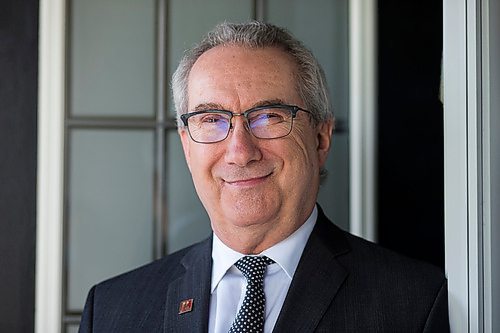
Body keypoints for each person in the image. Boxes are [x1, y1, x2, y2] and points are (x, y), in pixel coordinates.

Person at [79, 21, 449, 332]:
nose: (240, 151)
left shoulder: (415, 305)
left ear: (321, 138)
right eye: (211, 120)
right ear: (187, 145)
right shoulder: (111, 311)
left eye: (269, 116)